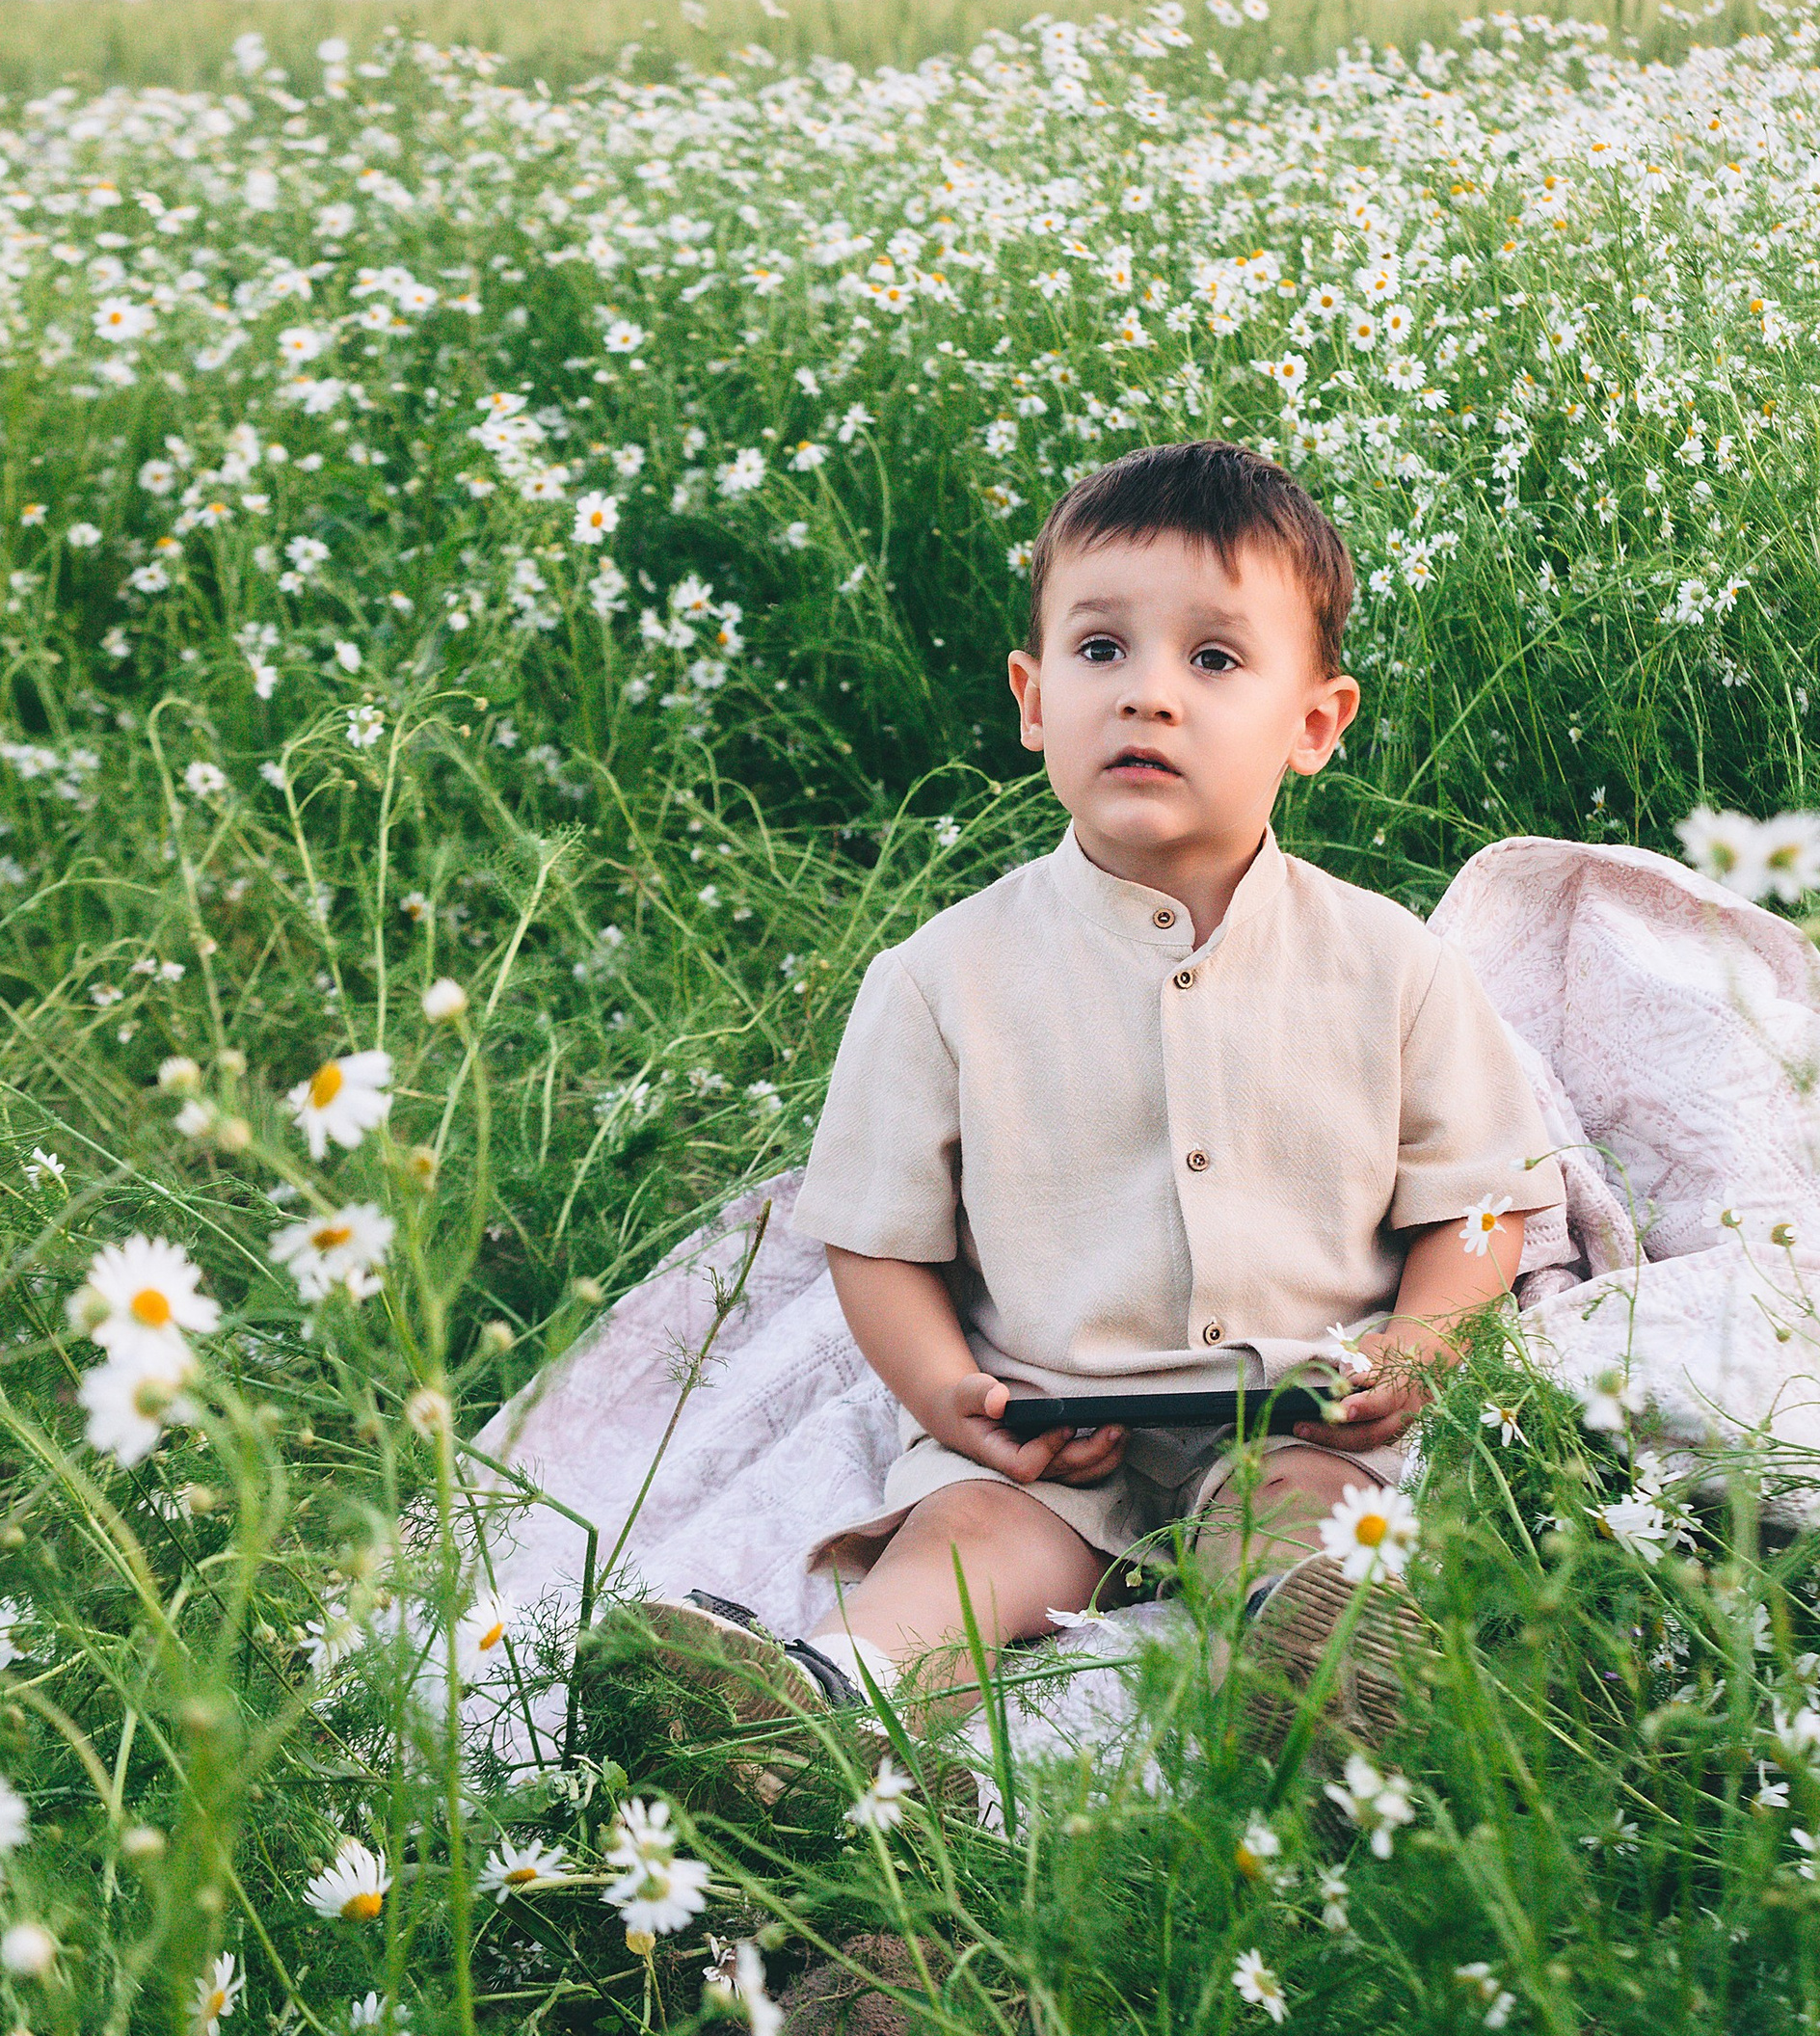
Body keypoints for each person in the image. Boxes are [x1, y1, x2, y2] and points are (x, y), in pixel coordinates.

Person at [644, 440, 1559, 1766]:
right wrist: (952, 1394)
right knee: (961, 1545)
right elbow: (877, 1236)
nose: (1148, 697)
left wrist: (1423, 1344)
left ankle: (1314, 1679)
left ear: (1316, 724)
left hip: (1291, 1411)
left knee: (1301, 1526)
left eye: (1215, 660)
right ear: (1030, 698)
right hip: (1049, 1428)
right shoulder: (941, 978)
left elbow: (1478, 1202)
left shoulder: (1393, 966)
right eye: (1100, 651)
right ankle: (820, 1720)